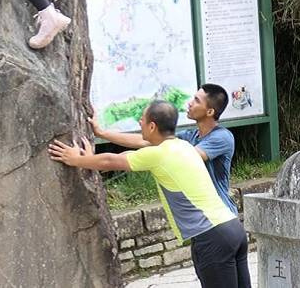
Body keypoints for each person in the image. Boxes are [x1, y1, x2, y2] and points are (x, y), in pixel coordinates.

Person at [49, 101, 251, 288]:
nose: (139, 122)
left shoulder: (160, 154)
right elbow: (128, 155)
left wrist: (76, 160)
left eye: (142, 119)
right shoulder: (181, 146)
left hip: (212, 237)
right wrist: (94, 150)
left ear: (152, 126)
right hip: (233, 229)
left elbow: (112, 161)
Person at [88, 83, 238, 214]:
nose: (190, 103)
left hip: (221, 214)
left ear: (210, 112)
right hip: (203, 218)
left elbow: (186, 158)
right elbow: (145, 141)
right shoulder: (190, 136)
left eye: (197, 100)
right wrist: (101, 133)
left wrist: (120, 160)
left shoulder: (222, 137)